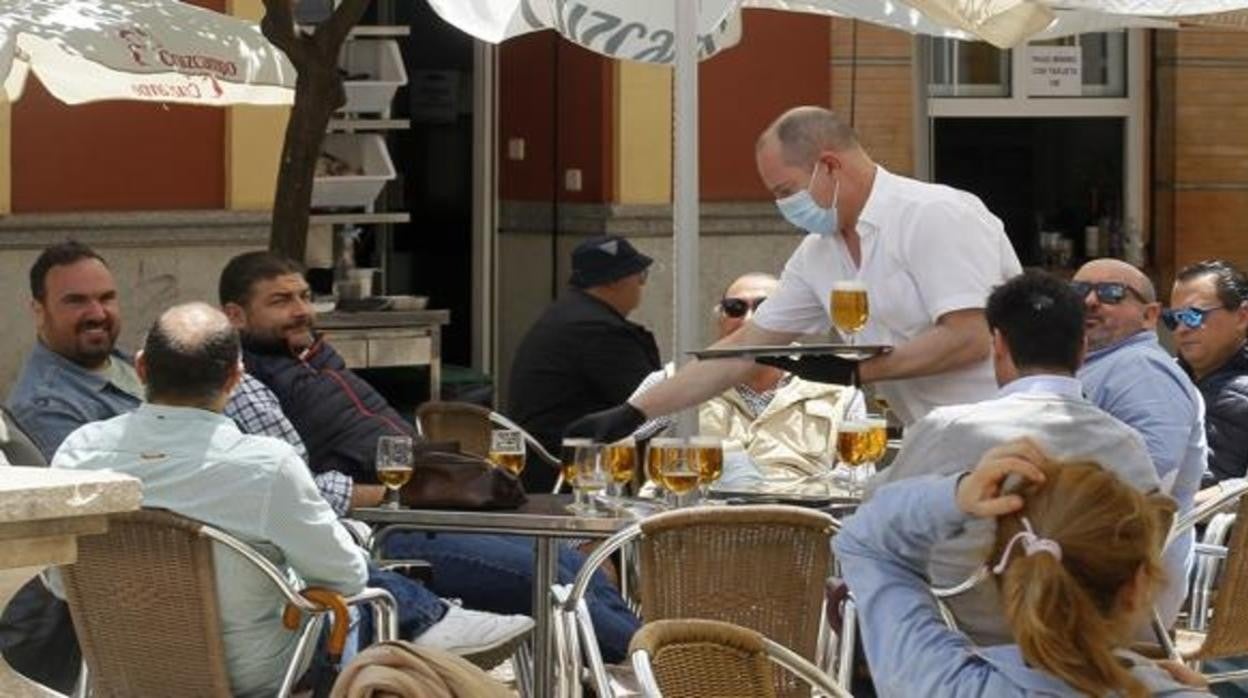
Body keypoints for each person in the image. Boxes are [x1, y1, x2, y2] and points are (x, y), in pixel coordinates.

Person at [218, 251, 640, 662]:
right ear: (235, 315)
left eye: (305, 297)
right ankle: (661, 669)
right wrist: (390, 495)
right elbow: (300, 491)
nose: (300, 310)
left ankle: (646, 658)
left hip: (434, 506)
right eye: (280, 301)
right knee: (552, 577)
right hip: (386, 532)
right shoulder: (246, 381)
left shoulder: (312, 356)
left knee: (574, 561)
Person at [566, 106, 1021, 444]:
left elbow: (971, 336)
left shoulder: (935, 215)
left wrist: (859, 372)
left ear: (830, 165)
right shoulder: (818, 254)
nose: (783, 206)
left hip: (1006, 431)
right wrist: (632, 412)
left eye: (786, 191)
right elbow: (746, 349)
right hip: (936, 438)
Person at [46, 303, 369, 697]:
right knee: (366, 605)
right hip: (252, 680)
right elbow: (345, 578)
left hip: (126, 674)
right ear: (236, 378)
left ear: (142, 368)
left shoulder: (79, 453)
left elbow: (62, 582)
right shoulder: (266, 467)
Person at [869, 270, 1172, 643]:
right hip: (1087, 643)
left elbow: (878, 524)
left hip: (959, 642)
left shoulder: (948, 428)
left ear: (997, 343)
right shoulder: (1126, 444)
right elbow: (1146, 541)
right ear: (1082, 347)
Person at [836, 439, 1209, 698]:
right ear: (1139, 586)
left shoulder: (937, 682)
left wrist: (957, 496)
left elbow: (866, 544)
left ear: (1000, 570)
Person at [1073, 258, 1207, 623]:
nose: (1090, 302)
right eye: (1079, 291)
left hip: (1118, 581)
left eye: (1112, 294)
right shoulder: (1105, 365)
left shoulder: (1140, 368)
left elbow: (1150, 475)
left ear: (1149, 315)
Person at [631, 272, 857, 481]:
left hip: (798, 517)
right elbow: (619, 437)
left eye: (765, 308)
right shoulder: (676, 379)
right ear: (720, 319)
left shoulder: (835, 382)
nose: (748, 319)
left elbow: (858, 471)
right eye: (735, 308)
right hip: (699, 517)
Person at [507, 234, 660, 492]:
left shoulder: (570, 315)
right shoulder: (598, 331)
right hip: (574, 471)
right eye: (640, 276)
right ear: (615, 280)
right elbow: (650, 402)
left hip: (543, 462)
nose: (641, 286)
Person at [7, 241, 142, 461]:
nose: (98, 314)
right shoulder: (45, 408)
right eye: (76, 301)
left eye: (106, 298)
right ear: (39, 312)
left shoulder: (137, 361)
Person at [1168, 260, 1248, 492]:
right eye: (1174, 318)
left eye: (1194, 315)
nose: (1181, 329)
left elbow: (1201, 487)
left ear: (1242, 317)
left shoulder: (1239, 392)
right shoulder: (1166, 377)